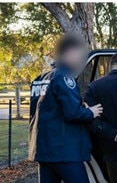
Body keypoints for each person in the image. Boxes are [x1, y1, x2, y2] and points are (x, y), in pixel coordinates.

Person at [28, 33, 103, 183]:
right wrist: (90, 112)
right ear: (69, 52)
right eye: (79, 54)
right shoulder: (64, 77)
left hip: (43, 150)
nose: (81, 58)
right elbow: (72, 112)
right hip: (64, 151)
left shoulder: (39, 79)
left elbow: (42, 111)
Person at [84, 52, 117, 182]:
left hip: (112, 151)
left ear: (110, 67)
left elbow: (91, 120)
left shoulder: (95, 87)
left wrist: (115, 135)